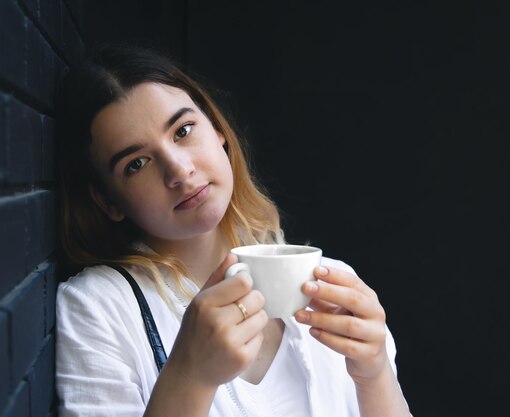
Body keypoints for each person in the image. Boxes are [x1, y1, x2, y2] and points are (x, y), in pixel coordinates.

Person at [55, 44, 412, 417]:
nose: (179, 170)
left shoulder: (335, 289)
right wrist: (189, 376)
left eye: (183, 130)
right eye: (137, 163)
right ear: (107, 201)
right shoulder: (100, 308)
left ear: (218, 129)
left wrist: (374, 375)